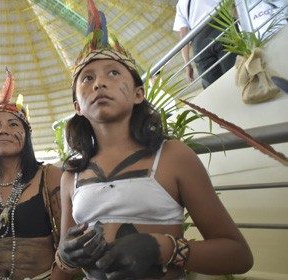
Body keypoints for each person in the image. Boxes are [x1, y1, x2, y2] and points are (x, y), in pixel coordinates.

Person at [56, 1, 253, 279]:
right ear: (77, 105)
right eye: (87, 78)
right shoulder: (71, 176)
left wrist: (162, 247)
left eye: (114, 73)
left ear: (139, 93)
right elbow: (66, 264)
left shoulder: (173, 156)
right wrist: (65, 256)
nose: (99, 83)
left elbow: (239, 255)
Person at [0, 69, 68, 279]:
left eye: (13, 124)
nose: (3, 130)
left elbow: (67, 240)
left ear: (27, 135)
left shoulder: (49, 176)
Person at [173, 0, 237, 88]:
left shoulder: (181, 4)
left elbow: (183, 35)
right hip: (221, 28)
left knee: (213, 88)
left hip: (199, 44)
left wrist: (187, 64)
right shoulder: (180, 4)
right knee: (236, 72)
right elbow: (232, 5)